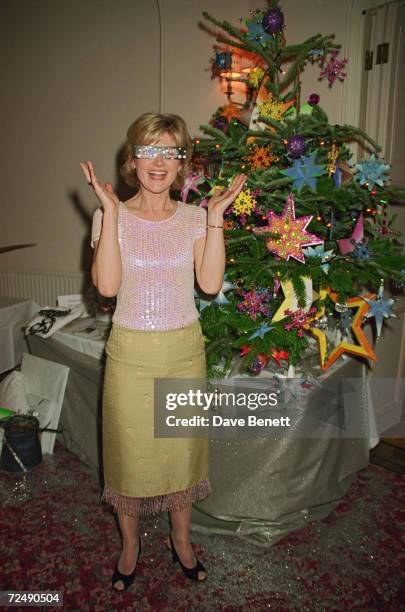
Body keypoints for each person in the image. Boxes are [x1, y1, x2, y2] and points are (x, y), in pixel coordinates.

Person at [80, 112, 246, 591]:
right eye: (149, 150)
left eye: (170, 152)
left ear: (182, 165)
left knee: (183, 454)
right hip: (130, 352)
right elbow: (107, 285)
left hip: (182, 351)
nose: (158, 161)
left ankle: (181, 540)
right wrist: (112, 216)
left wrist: (215, 219)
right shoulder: (107, 214)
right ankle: (130, 546)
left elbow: (210, 285)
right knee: (129, 456)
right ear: (133, 159)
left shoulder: (196, 217)